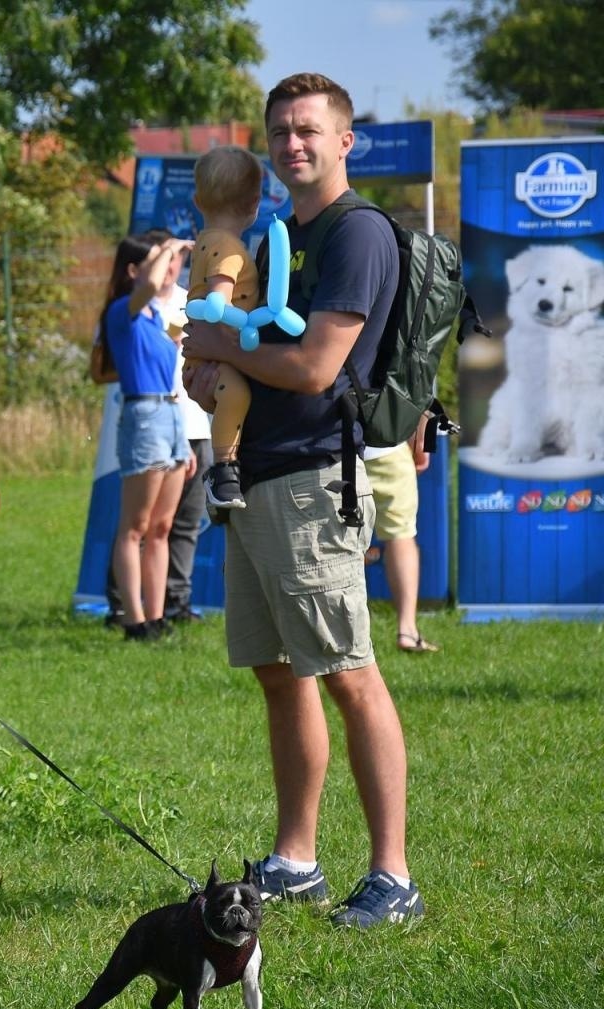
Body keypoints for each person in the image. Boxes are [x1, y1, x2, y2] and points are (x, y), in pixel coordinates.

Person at [184, 72, 422, 928]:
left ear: (344, 141)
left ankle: (393, 876)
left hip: (315, 479)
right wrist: (211, 369)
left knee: (350, 673)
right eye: (281, 130)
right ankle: (297, 861)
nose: (293, 143)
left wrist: (220, 349)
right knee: (280, 674)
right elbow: (239, 350)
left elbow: (319, 366)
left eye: (309, 129)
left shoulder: (356, 234)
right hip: (256, 474)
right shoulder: (281, 233)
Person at [104, 229, 209, 627]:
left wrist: (181, 439)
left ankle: (157, 614)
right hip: (145, 417)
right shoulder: (124, 310)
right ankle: (134, 620)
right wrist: (172, 246)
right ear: (133, 271)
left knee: (162, 526)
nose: (167, 268)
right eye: (157, 261)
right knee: (136, 527)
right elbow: (150, 285)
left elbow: (173, 381)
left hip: (170, 416)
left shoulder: (155, 317)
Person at [186, 145, 264, 511]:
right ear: (254, 203)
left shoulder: (205, 241)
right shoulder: (227, 248)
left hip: (208, 355)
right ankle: (223, 470)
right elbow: (220, 297)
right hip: (216, 356)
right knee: (237, 395)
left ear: (197, 201)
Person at [365, 420, 439, 653]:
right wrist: (422, 443)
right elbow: (419, 401)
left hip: (332, 453)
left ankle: (336, 634)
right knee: (401, 534)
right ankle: (407, 630)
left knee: (334, 540)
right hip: (387, 447)